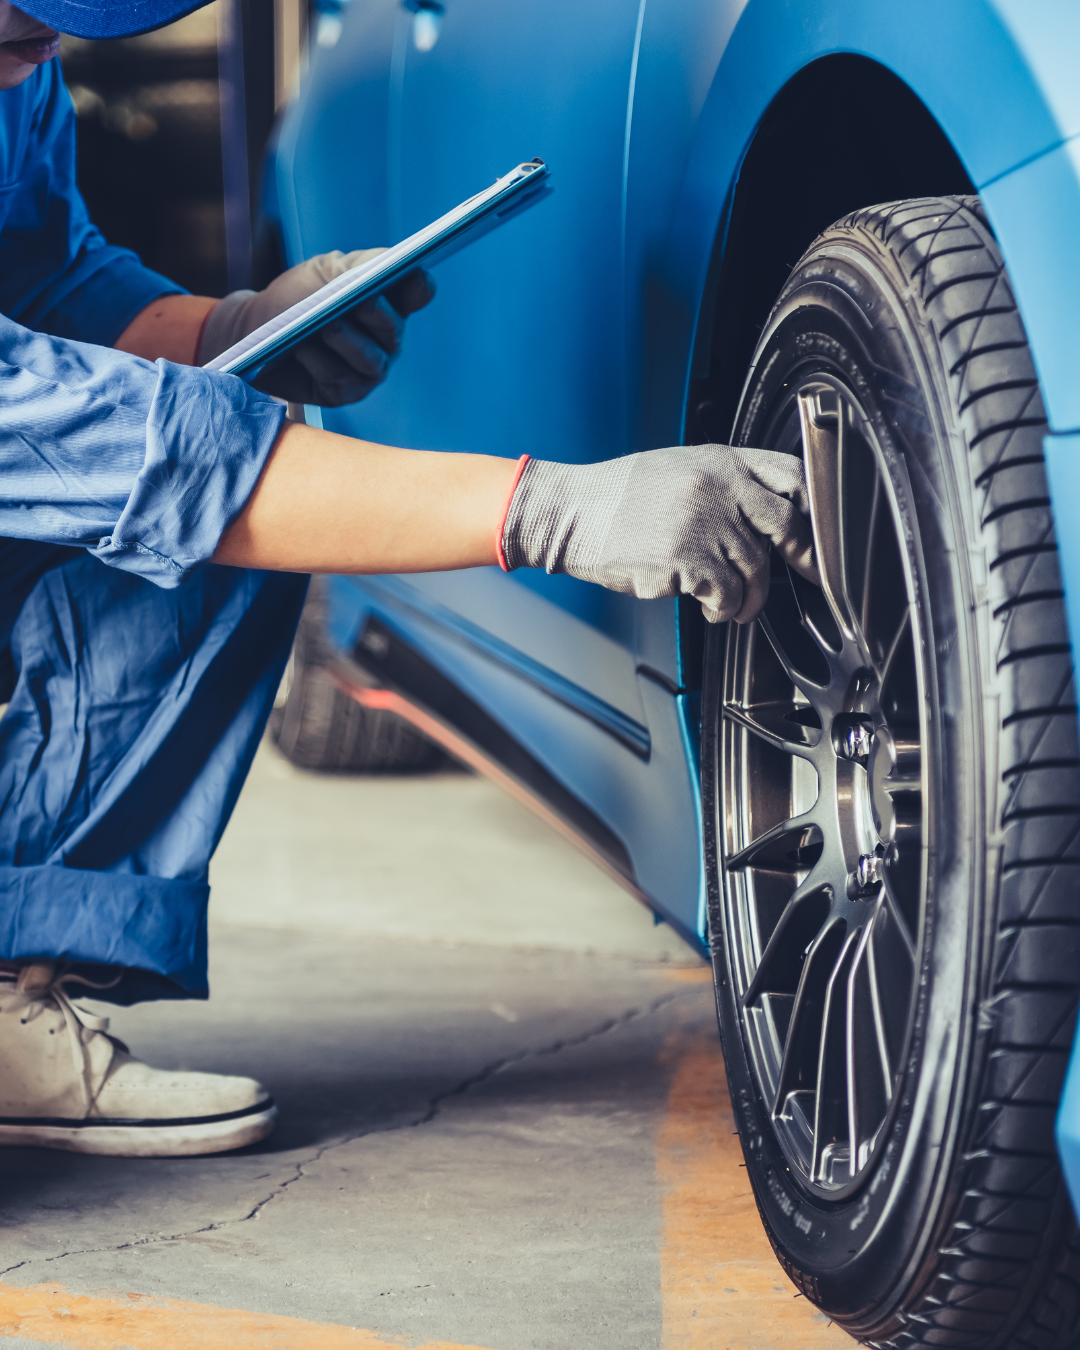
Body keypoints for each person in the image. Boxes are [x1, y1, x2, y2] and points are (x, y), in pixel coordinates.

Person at [0, 0, 816, 1158]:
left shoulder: (14, 63)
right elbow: (84, 434)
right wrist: (549, 510)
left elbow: (40, 277)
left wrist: (229, 326)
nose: (51, 39)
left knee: (235, 476)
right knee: (214, 484)